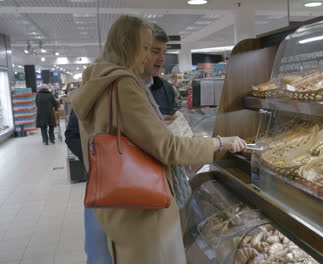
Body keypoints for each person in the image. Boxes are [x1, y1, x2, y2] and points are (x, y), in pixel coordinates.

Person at [70, 15, 247, 264]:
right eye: (144, 48)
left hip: (118, 203)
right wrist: (219, 143)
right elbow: (168, 147)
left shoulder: (98, 80)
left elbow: (113, 131)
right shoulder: (123, 84)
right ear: (125, 44)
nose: (146, 56)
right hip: (144, 211)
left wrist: (154, 122)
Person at [65, 109, 112, 264]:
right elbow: (72, 135)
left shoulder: (159, 88)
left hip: (144, 183)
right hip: (99, 182)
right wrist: (94, 161)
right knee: (99, 248)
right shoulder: (89, 92)